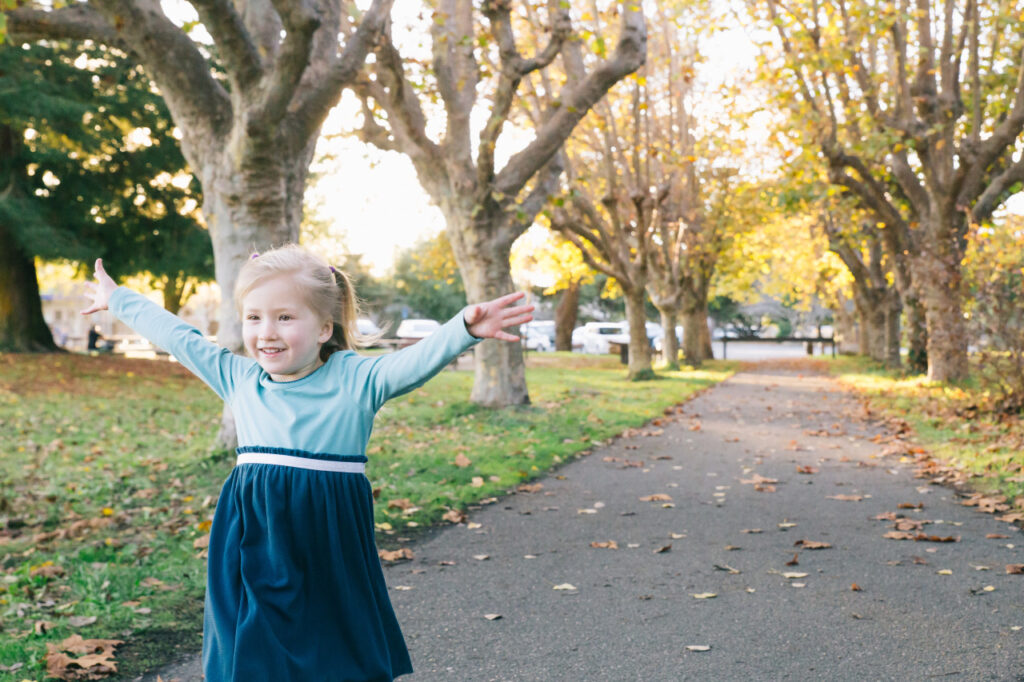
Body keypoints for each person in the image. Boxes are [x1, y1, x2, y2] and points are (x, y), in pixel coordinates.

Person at [80, 244, 533, 682]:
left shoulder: (356, 378)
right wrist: (118, 299)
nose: (266, 332)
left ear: (323, 328)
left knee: (332, 643)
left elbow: (410, 364)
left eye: (284, 317)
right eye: (254, 318)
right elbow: (180, 338)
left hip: (328, 538)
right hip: (255, 535)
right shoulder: (239, 378)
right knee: (255, 641)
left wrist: (463, 329)